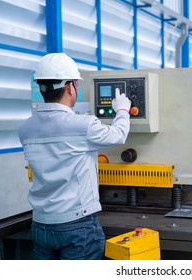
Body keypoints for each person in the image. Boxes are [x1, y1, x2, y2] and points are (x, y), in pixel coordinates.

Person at [18, 53, 131, 259]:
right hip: (77, 226)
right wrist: (122, 110)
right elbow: (118, 135)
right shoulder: (83, 125)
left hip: (41, 225)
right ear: (71, 87)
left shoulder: (26, 128)